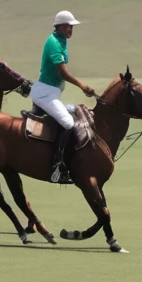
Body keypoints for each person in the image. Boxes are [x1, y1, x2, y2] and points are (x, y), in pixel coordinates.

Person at [30, 10, 97, 184]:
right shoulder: (53, 42)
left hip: (52, 93)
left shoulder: (61, 41)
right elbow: (62, 72)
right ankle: (58, 167)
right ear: (59, 26)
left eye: (72, 27)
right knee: (68, 123)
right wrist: (82, 85)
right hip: (45, 94)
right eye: (68, 26)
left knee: (76, 111)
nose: (70, 30)